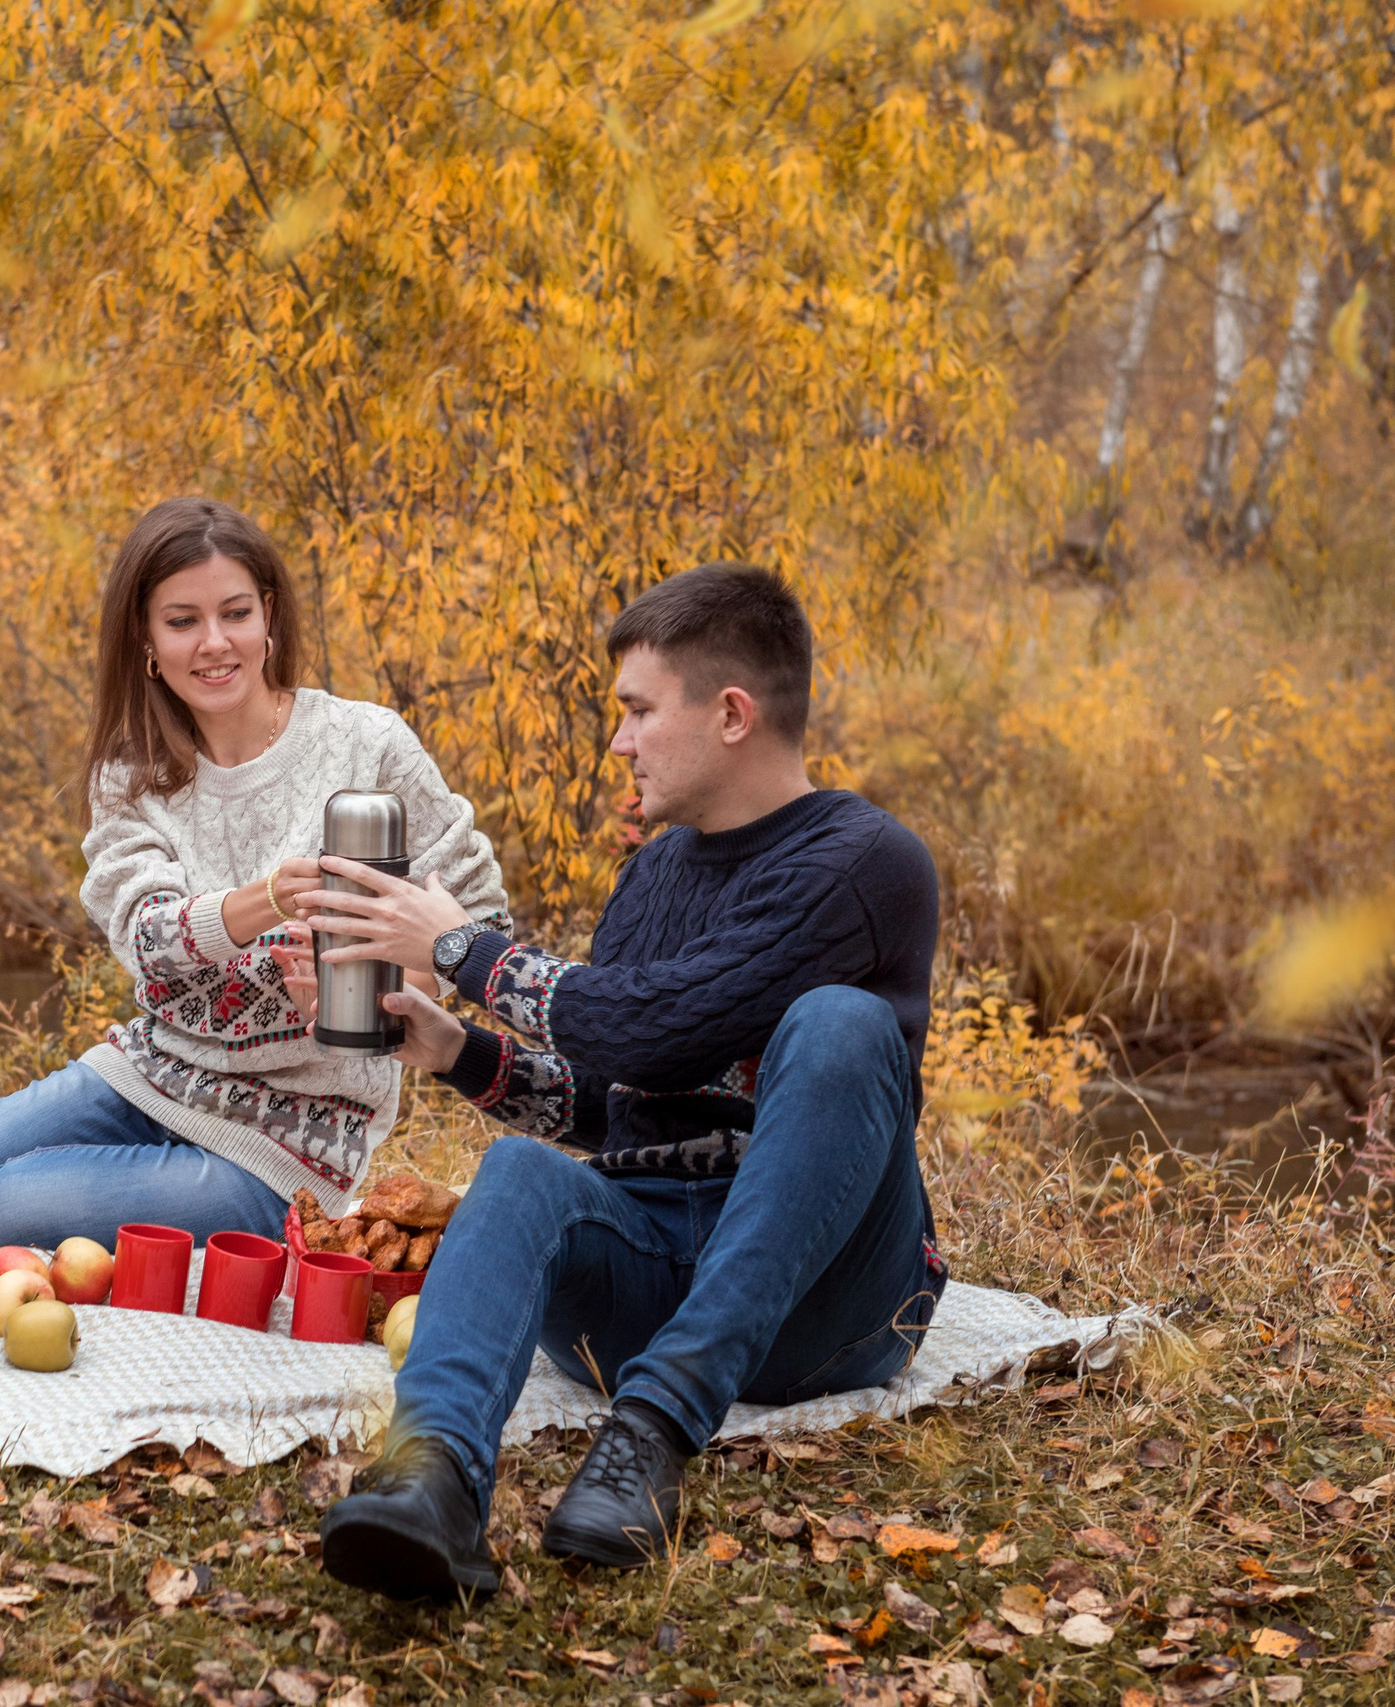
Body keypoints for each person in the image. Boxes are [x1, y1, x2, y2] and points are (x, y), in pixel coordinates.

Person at [286, 564, 943, 1598]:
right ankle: (432, 1479)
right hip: (643, 1278)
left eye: (636, 711)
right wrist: (459, 1050)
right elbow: (621, 1099)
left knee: (840, 1026)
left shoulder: (866, 863)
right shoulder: (649, 876)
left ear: (730, 714)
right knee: (515, 1174)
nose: (617, 741)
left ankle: (651, 1434)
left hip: (826, 1305)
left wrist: (463, 948)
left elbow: (649, 1022)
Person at [0, 496, 511, 1248]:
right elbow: (147, 945)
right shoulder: (130, 774)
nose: (215, 643)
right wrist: (268, 897)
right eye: (182, 621)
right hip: (151, 1075)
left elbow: (481, 921)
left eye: (235, 613)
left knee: (8, 1203)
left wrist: (398, 993)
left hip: (291, 1138)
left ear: (268, 615)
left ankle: (121, 1185)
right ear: (145, 637)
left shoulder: (365, 743)